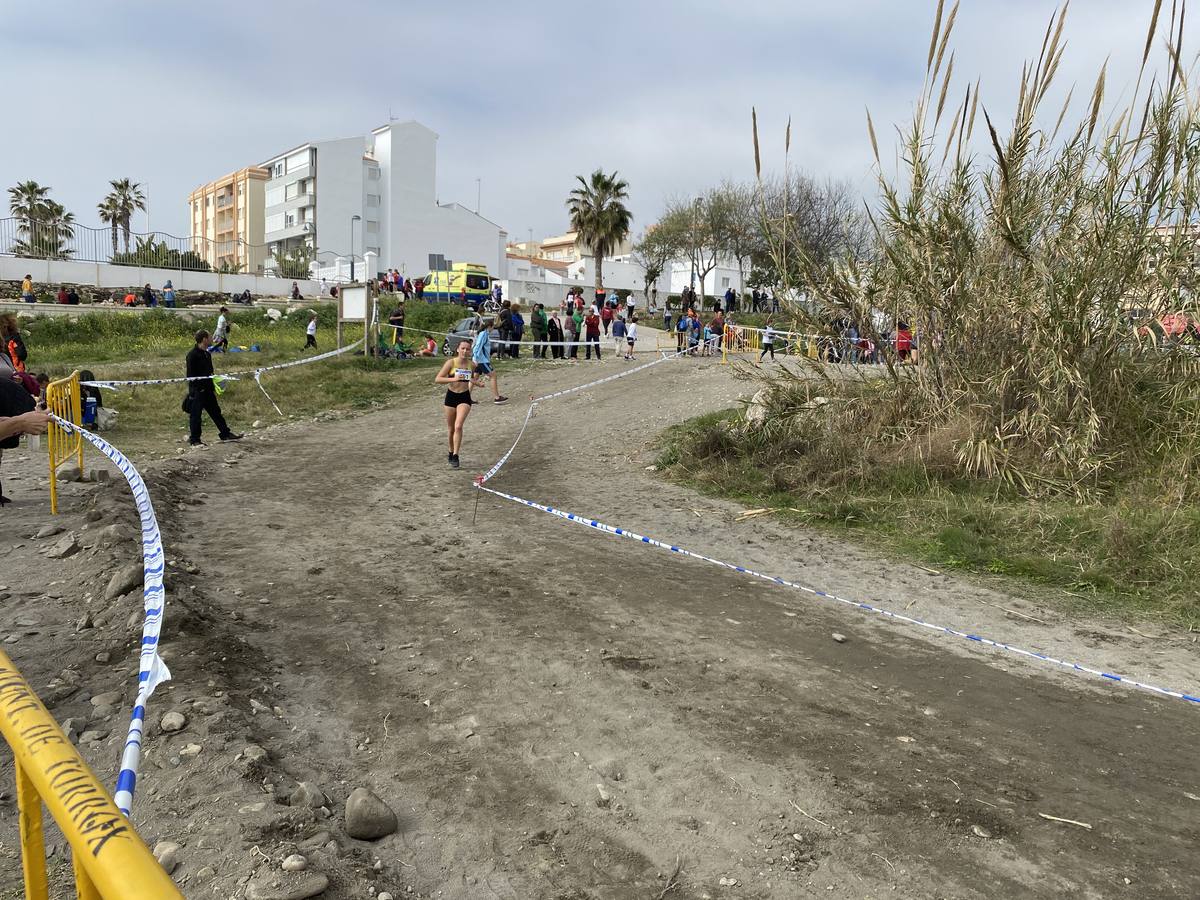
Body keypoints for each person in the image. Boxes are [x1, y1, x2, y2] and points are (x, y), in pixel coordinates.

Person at [185, 330, 241, 446]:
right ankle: (195, 440)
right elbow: (190, 376)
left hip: (208, 389)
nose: (212, 339)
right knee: (196, 416)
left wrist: (215, 382)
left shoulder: (207, 354)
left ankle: (225, 433)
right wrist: (198, 388)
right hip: (198, 391)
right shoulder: (192, 355)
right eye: (210, 337)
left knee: (216, 412)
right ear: (204, 339)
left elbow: (210, 373)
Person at [435, 339, 479, 469]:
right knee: (451, 429)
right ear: (458, 349)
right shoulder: (451, 363)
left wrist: (477, 383)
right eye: (463, 348)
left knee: (458, 426)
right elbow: (438, 379)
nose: (465, 351)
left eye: (468, 349)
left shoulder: (472, 364)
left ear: (470, 351)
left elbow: (471, 378)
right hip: (451, 396)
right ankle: (450, 450)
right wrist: (453, 378)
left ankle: (456, 455)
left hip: (464, 397)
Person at [471, 321, 508, 403]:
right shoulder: (483, 334)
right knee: (493, 375)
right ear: (489, 326)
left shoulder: (484, 334)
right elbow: (478, 346)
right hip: (481, 360)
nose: (493, 329)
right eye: (493, 327)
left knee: (475, 378)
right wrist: (475, 358)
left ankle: (466, 398)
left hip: (480, 359)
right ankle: (497, 398)